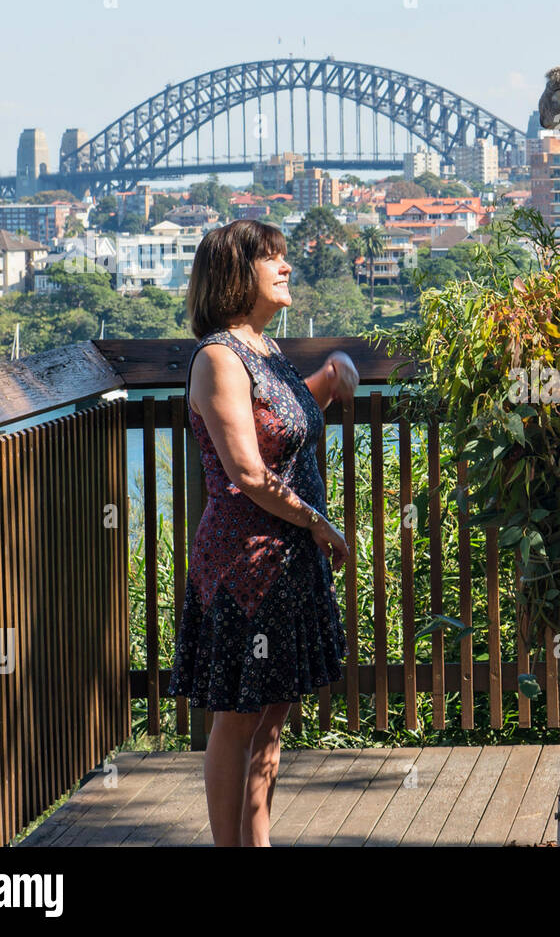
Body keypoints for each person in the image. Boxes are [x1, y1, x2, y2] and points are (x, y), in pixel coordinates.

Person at [167, 220, 359, 847]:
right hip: (244, 564)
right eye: (269, 258)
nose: (284, 266)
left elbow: (279, 422)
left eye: (283, 256)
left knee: (272, 713)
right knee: (240, 715)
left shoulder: (265, 349)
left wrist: (328, 380)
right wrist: (321, 523)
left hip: (286, 559)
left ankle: (259, 839)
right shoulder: (219, 357)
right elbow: (248, 471)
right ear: (233, 274)